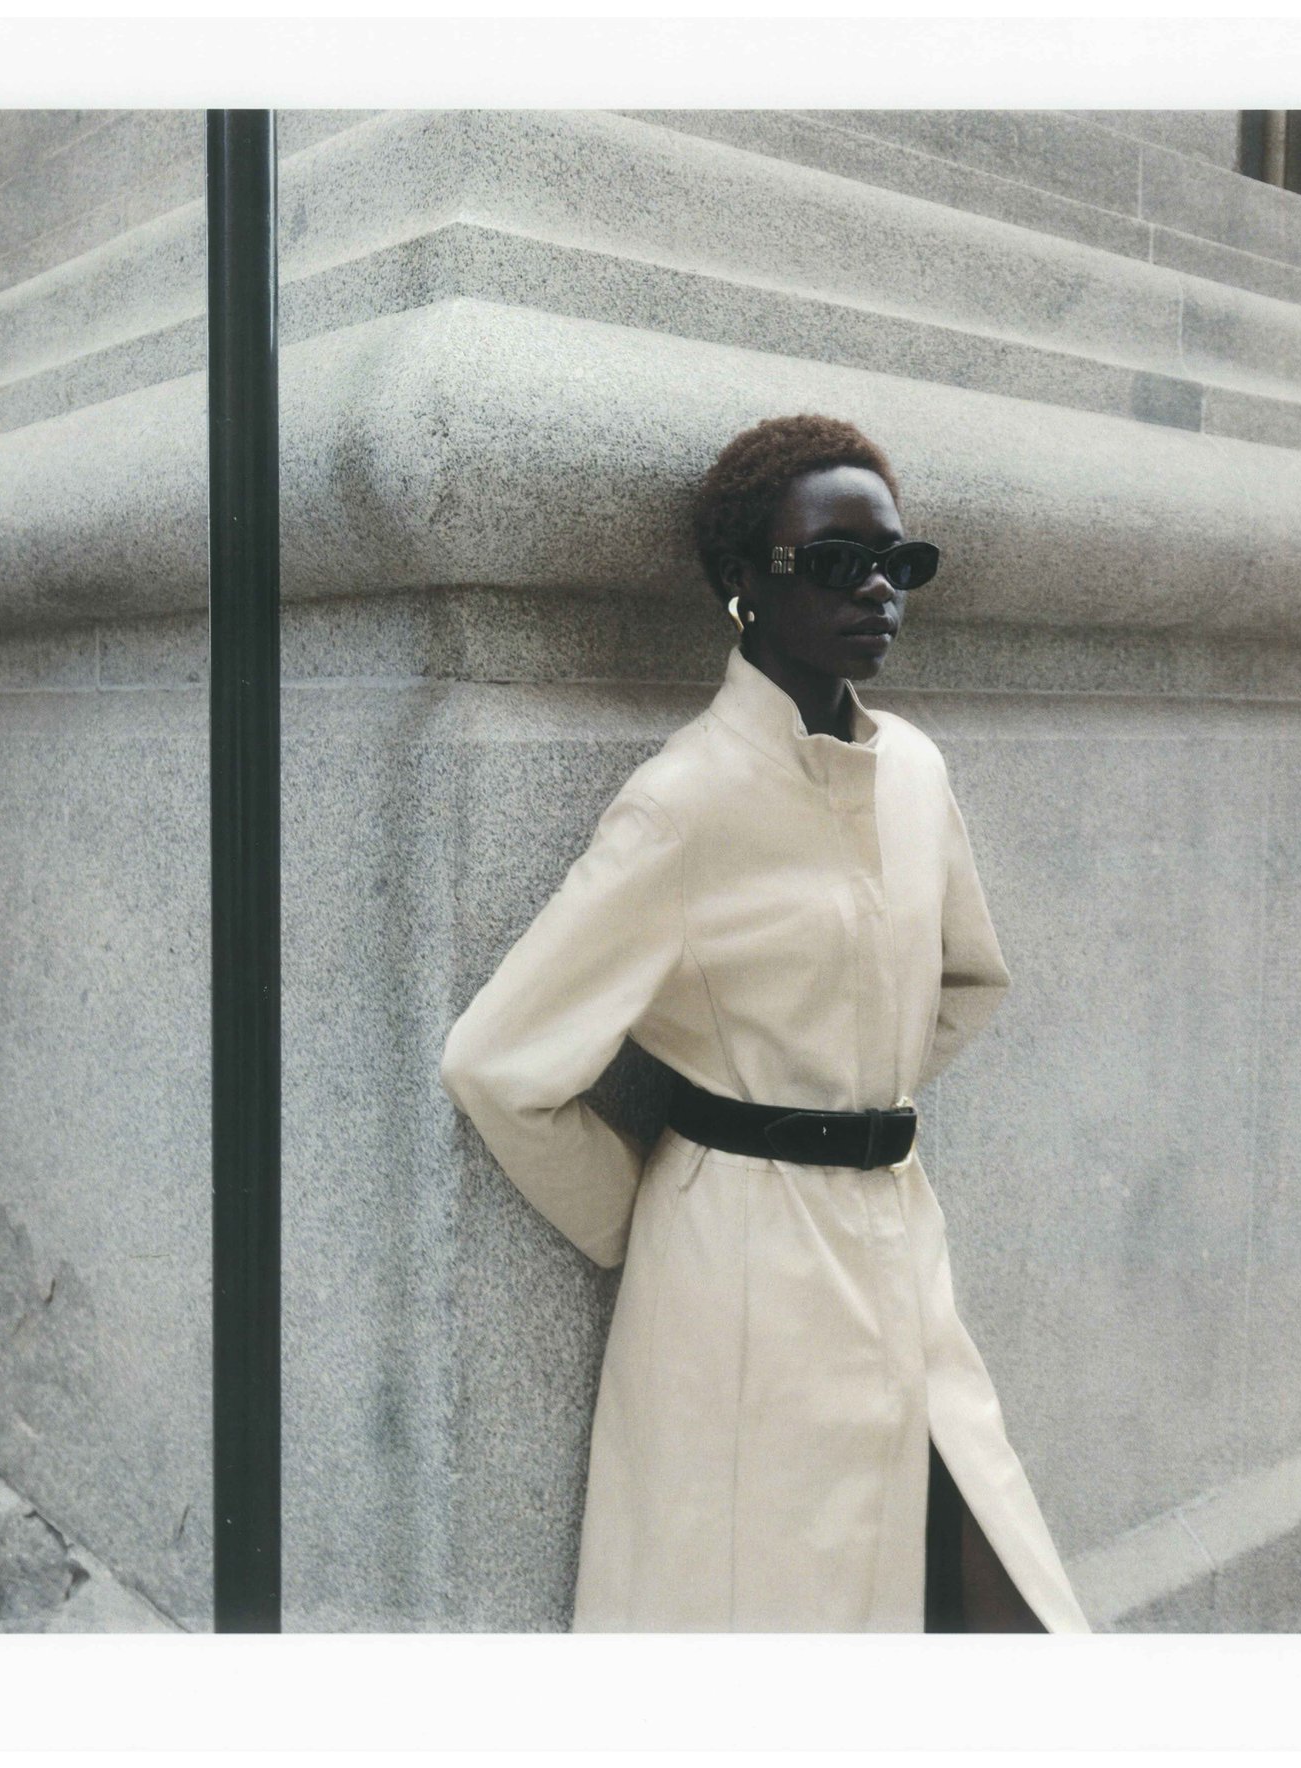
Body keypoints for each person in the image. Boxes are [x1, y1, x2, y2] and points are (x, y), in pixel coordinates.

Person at [439, 414, 1091, 1633]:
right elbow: (495, 1062)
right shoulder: (683, 804)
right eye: (836, 564)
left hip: (898, 1243)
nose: (879, 592)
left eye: (900, 563)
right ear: (742, 582)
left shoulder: (913, 771)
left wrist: (854, 1091)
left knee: (996, 1596)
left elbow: (968, 979)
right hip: (737, 1277)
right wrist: (647, 1211)